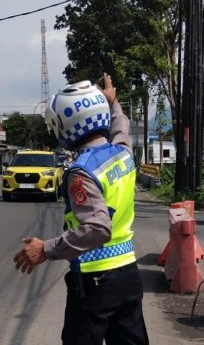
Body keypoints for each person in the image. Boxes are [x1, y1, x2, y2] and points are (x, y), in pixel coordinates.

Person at [13, 73, 149, 345]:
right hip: (128, 274)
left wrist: (46, 249)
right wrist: (114, 102)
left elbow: (98, 228)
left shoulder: (82, 172)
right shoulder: (122, 153)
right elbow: (121, 126)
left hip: (95, 280)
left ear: (67, 126)